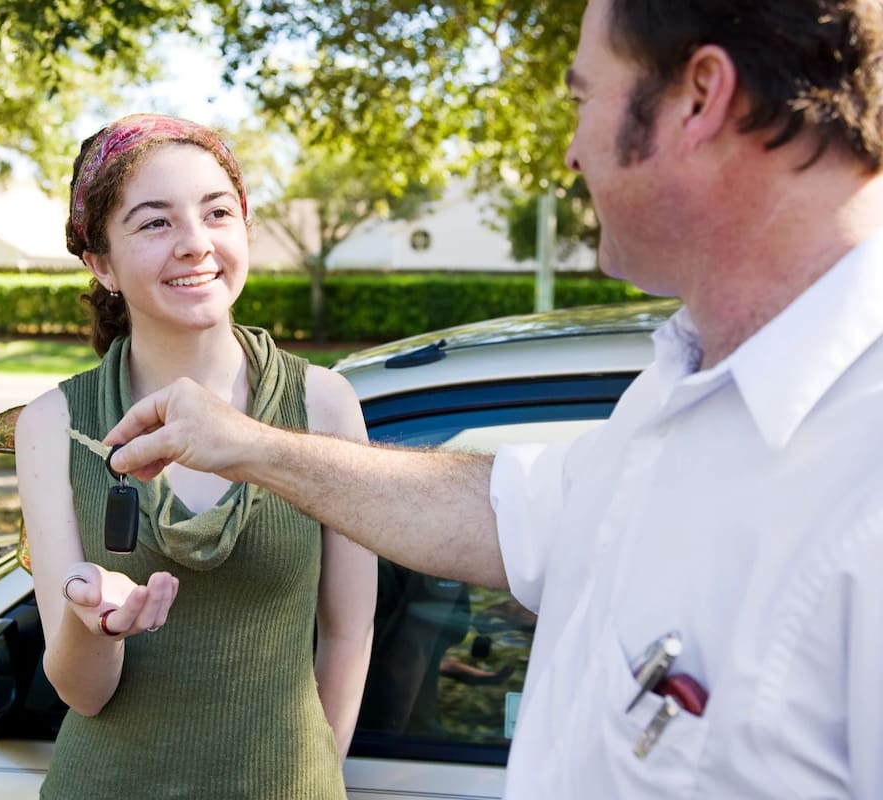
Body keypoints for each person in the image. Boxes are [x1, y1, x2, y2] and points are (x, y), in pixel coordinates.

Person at [104, 1, 883, 797]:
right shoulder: (684, 386)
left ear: (698, 97)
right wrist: (254, 445)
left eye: (583, 99)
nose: (573, 152)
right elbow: (513, 515)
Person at [14, 113, 376, 800]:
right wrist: (98, 627)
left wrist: (314, 776)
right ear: (101, 264)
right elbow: (81, 693)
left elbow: (348, 633)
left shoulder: (325, 405)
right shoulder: (55, 424)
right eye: (155, 223)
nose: (195, 244)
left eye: (217, 213)